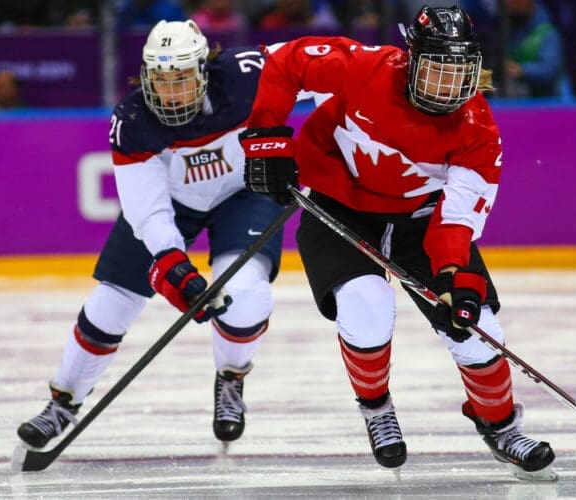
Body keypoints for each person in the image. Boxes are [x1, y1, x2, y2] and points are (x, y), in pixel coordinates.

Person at [238, 5, 557, 481]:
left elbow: (456, 216)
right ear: (412, 59)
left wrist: (453, 276)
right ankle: (375, 408)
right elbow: (286, 61)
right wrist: (267, 137)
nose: (448, 88)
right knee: (365, 307)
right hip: (338, 204)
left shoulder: (478, 132)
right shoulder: (367, 67)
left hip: (420, 223)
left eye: (459, 74)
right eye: (436, 70)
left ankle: (501, 425)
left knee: (476, 326)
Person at [16, 19, 285, 450]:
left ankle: (231, 378)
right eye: (160, 80)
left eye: (180, 78)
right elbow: (148, 207)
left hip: (245, 191)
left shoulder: (248, 72)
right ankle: (63, 402)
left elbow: (323, 65)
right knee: (109, 306)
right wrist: (172, 263)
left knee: (246, 293)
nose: (170, 92)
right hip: (173, 207)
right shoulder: (132, 119)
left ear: (203, 70)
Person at [503, 0, 565, 98]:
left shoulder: (547, 33)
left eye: (517, 4)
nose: (511, 8)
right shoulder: (509, 31)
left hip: (546, 104)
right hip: (514, 102)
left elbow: (550, 70)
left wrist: (522, 70)